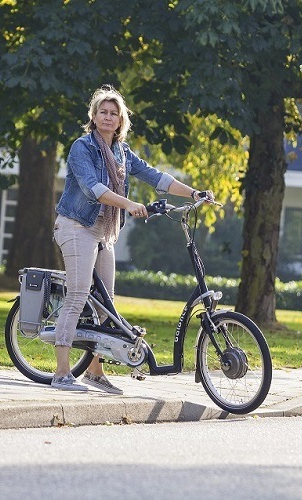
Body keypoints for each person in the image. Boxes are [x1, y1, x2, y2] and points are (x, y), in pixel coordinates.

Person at [51, 85, 214, 393]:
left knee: (106, 305)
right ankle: (61, 373)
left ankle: (94, 372)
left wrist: (195, 193)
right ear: (94, 116)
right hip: (75, 226)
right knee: (77, 295)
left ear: (121, 119)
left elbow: (157, 177)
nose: (108, 117)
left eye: (114, 113)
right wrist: (128, 204)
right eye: (103, 112)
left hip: (102, 232)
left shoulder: (122, 153)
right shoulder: (82, 148)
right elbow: (91, 188)